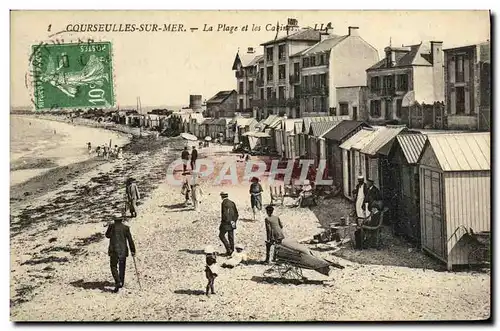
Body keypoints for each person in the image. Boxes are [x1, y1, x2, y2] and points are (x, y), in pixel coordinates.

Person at [105, 213, 136, 293]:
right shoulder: (125, 228)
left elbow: (107, 235)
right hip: (123, 250)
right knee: (122, 267)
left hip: (114, 250)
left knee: (113, 266)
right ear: (121, 219)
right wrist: (133, 250)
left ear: (114, 220)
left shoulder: (111, 227)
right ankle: (121, 282)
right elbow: (130, 240)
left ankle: (117, 281)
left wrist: (111, 230)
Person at [219, 192, 239, 256]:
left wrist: (223, 223)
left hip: (226, 223)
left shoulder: (224, 203)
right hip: (232, 222)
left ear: (222, 197)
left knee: (221, 235)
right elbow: (236, 214)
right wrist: (234, 221)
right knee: (231, 237)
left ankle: (228, 249)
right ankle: (232, 251)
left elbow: (224, 214)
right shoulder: (232, 202)